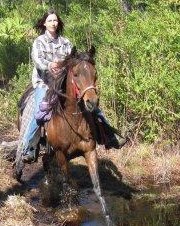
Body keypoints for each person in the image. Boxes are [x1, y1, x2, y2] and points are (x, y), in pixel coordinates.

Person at [21, 10, 127, 163]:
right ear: (44, 23)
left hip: (64, 82)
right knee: (39, 111)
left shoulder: (65, 42)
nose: (53, 23)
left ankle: (111, 136)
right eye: (50, 21)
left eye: (55, 21)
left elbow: (73, 61)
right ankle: (29, 148)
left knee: (92, 106)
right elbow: (37, 61)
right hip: (44, 82)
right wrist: (49, 64)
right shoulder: (39, 42)